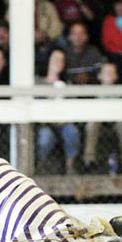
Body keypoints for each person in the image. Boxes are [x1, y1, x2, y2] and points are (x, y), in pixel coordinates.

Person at [82, 62, 122, 174]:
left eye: (112, 73)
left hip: (116, 119)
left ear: (116, 76)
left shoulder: (121, 92)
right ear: (99, 76)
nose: (109, 75)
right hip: (98, 119)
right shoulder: (93, 92)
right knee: (91, 124)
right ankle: (89, 161)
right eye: (106, 73)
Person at [35, 47, 82, 175]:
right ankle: (40, 166)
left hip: (64, 122)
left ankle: (70, 167)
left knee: (72, 132)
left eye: (61, 60)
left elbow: (73, 107)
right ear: (48, 60)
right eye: (55, 59)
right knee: (45, 136)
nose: (58, 62)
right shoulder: (38, 82)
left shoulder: (68, 84)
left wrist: (64, 120)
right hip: (44, 123)